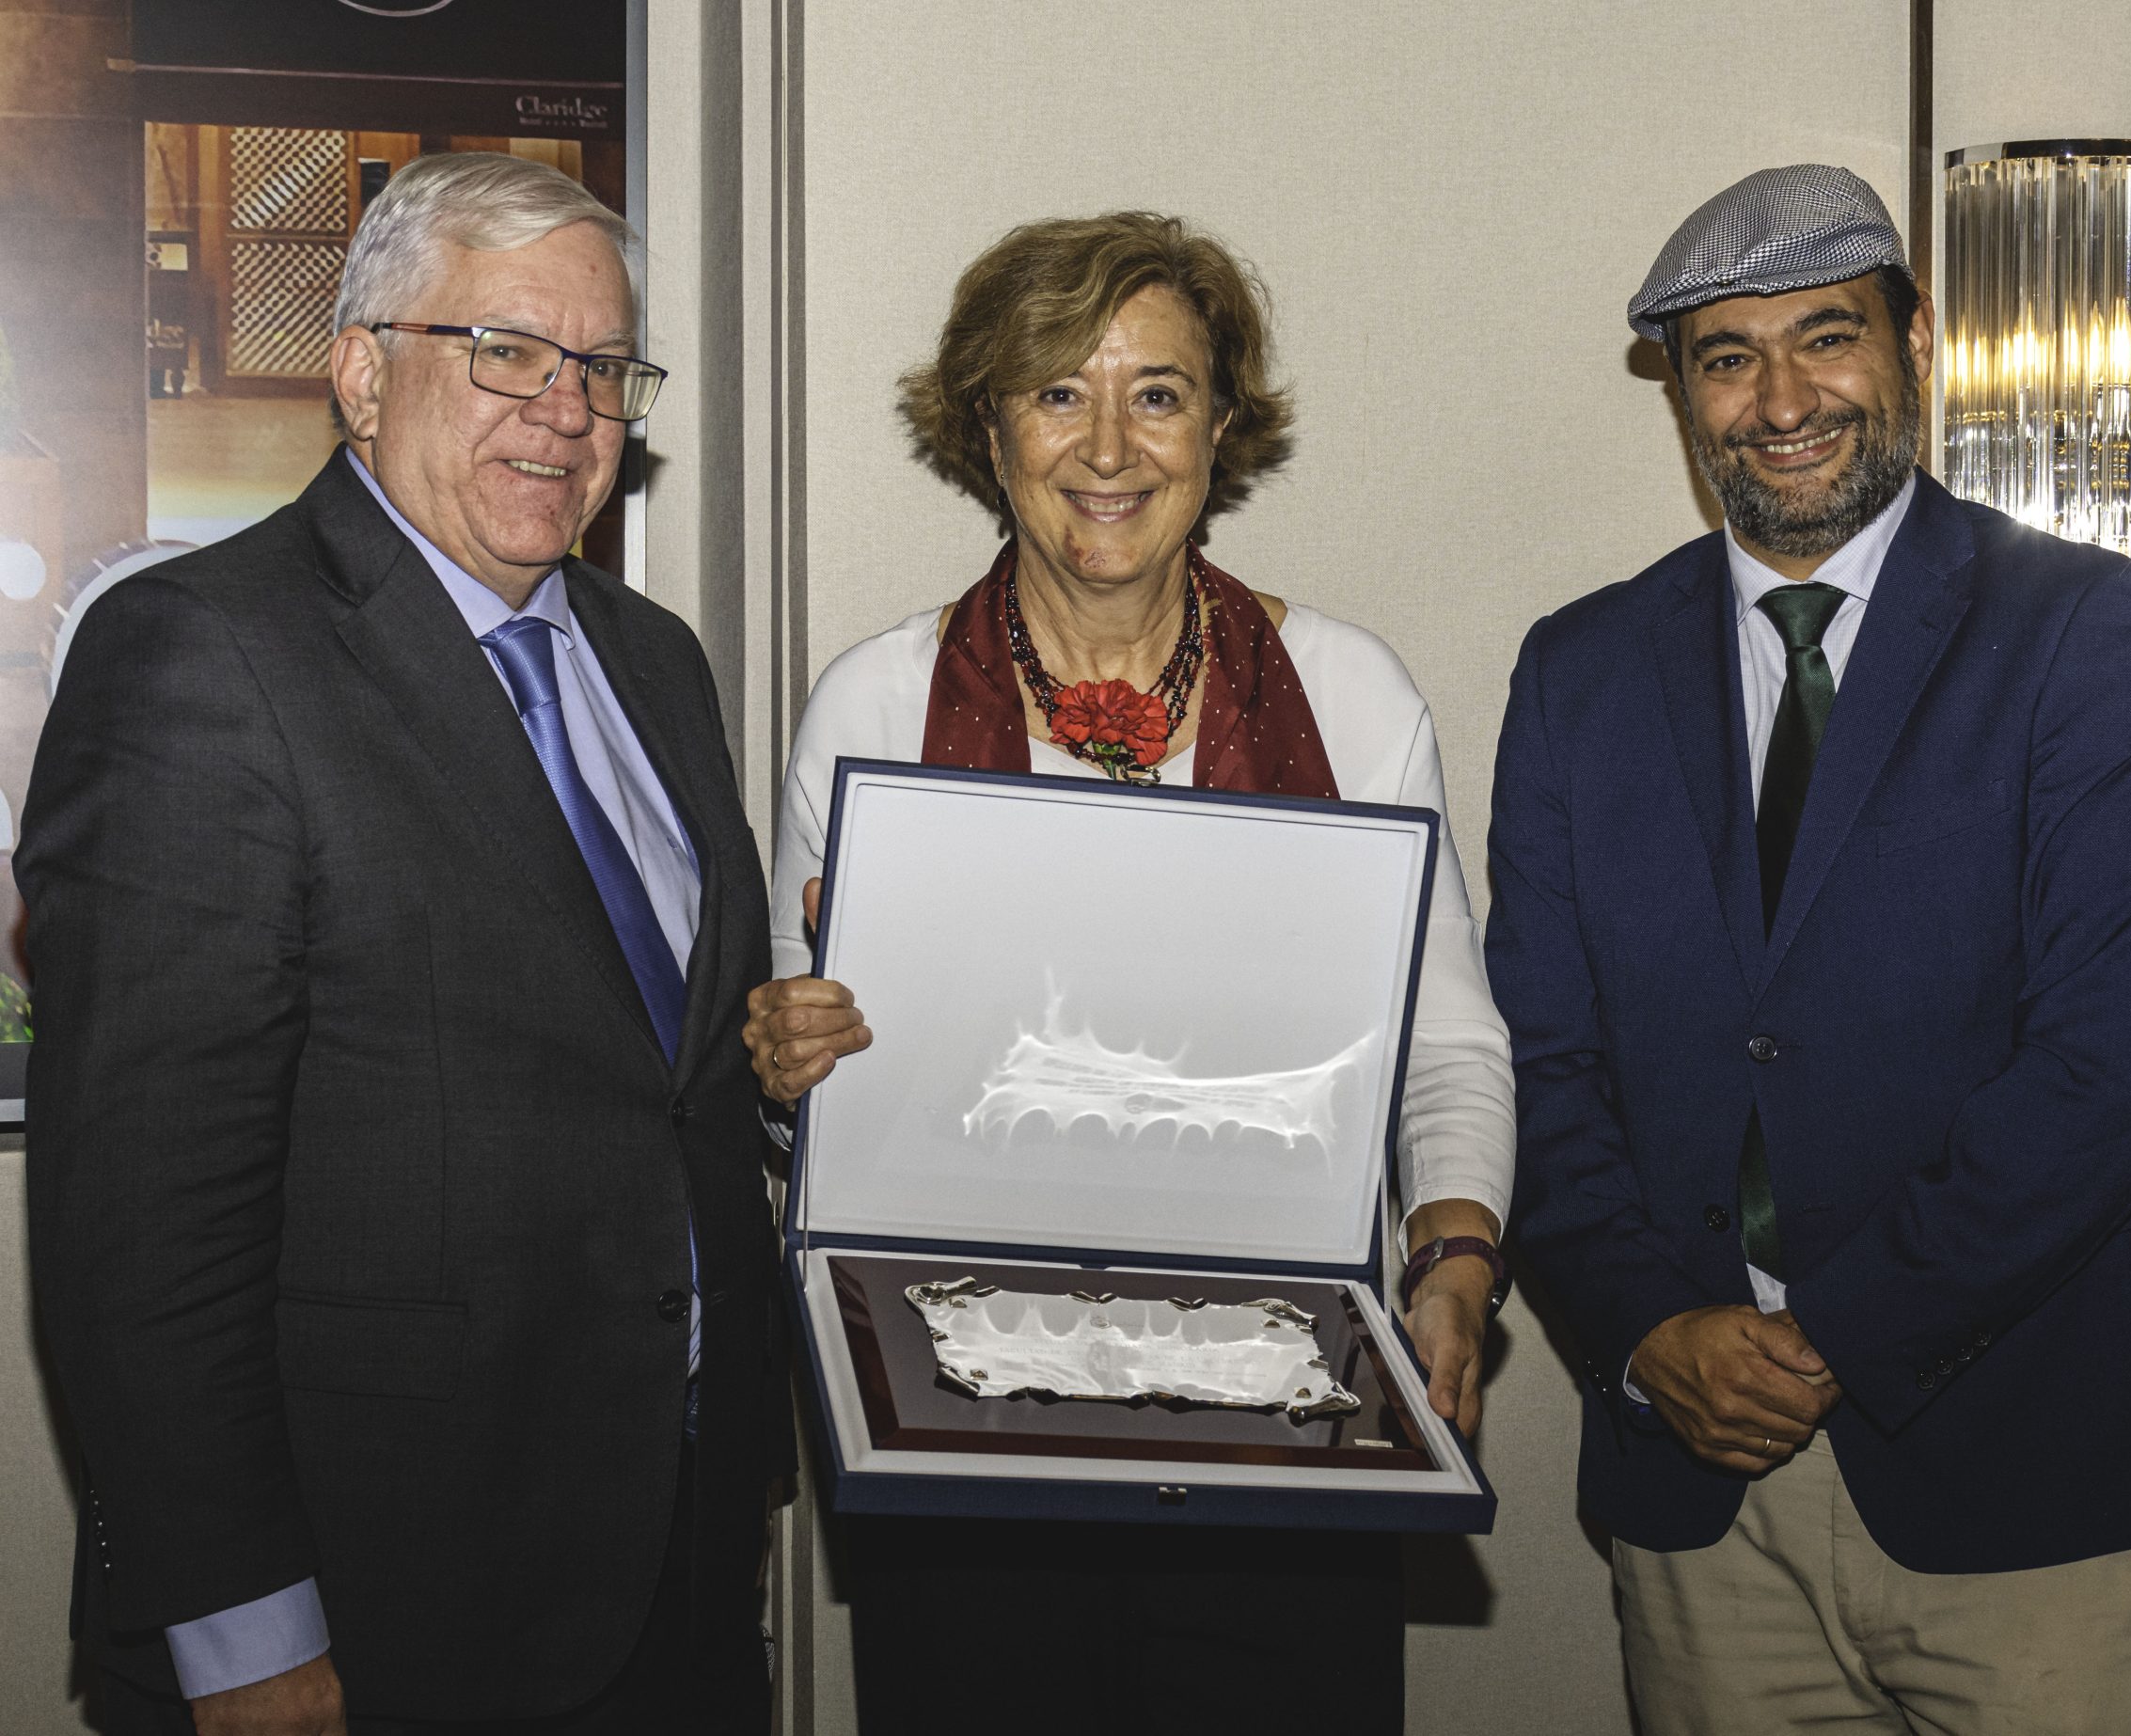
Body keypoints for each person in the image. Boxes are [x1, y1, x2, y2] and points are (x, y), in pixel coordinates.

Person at [23, 151, 790, 1735]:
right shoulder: (201, 656)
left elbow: (647, 1071)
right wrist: (246, 1634)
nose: (566, 410)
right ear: (363, 372)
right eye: (505, 350)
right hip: (379, 1606)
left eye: (603, 369)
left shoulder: (658, 662)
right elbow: (145, 1216)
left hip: (672, 1562)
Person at [744, 211, 1515, 1732]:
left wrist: (1459, 1257)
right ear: (987, 425)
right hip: (958, 1435)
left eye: (1157, 392)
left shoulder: (1353, 699)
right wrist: (785, 1072)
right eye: (1055, 391)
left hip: (1284, 1433)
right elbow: (810, 1117)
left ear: (1222, 431)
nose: (1108, 445)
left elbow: (1447, 1044)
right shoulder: (874, 705)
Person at [1487, 165, 2131, 1734]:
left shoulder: (2086, 633)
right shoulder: (1577, 671)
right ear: (1682, 393)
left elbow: (2105, 1073)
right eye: (1727, 357)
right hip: (1702, 1501)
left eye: (1827, 337)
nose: (1781, 399)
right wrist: (1642, 1329)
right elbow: (1537, 1062)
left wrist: (1830, 1335)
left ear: (1919, 342)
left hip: (2034, 1485)